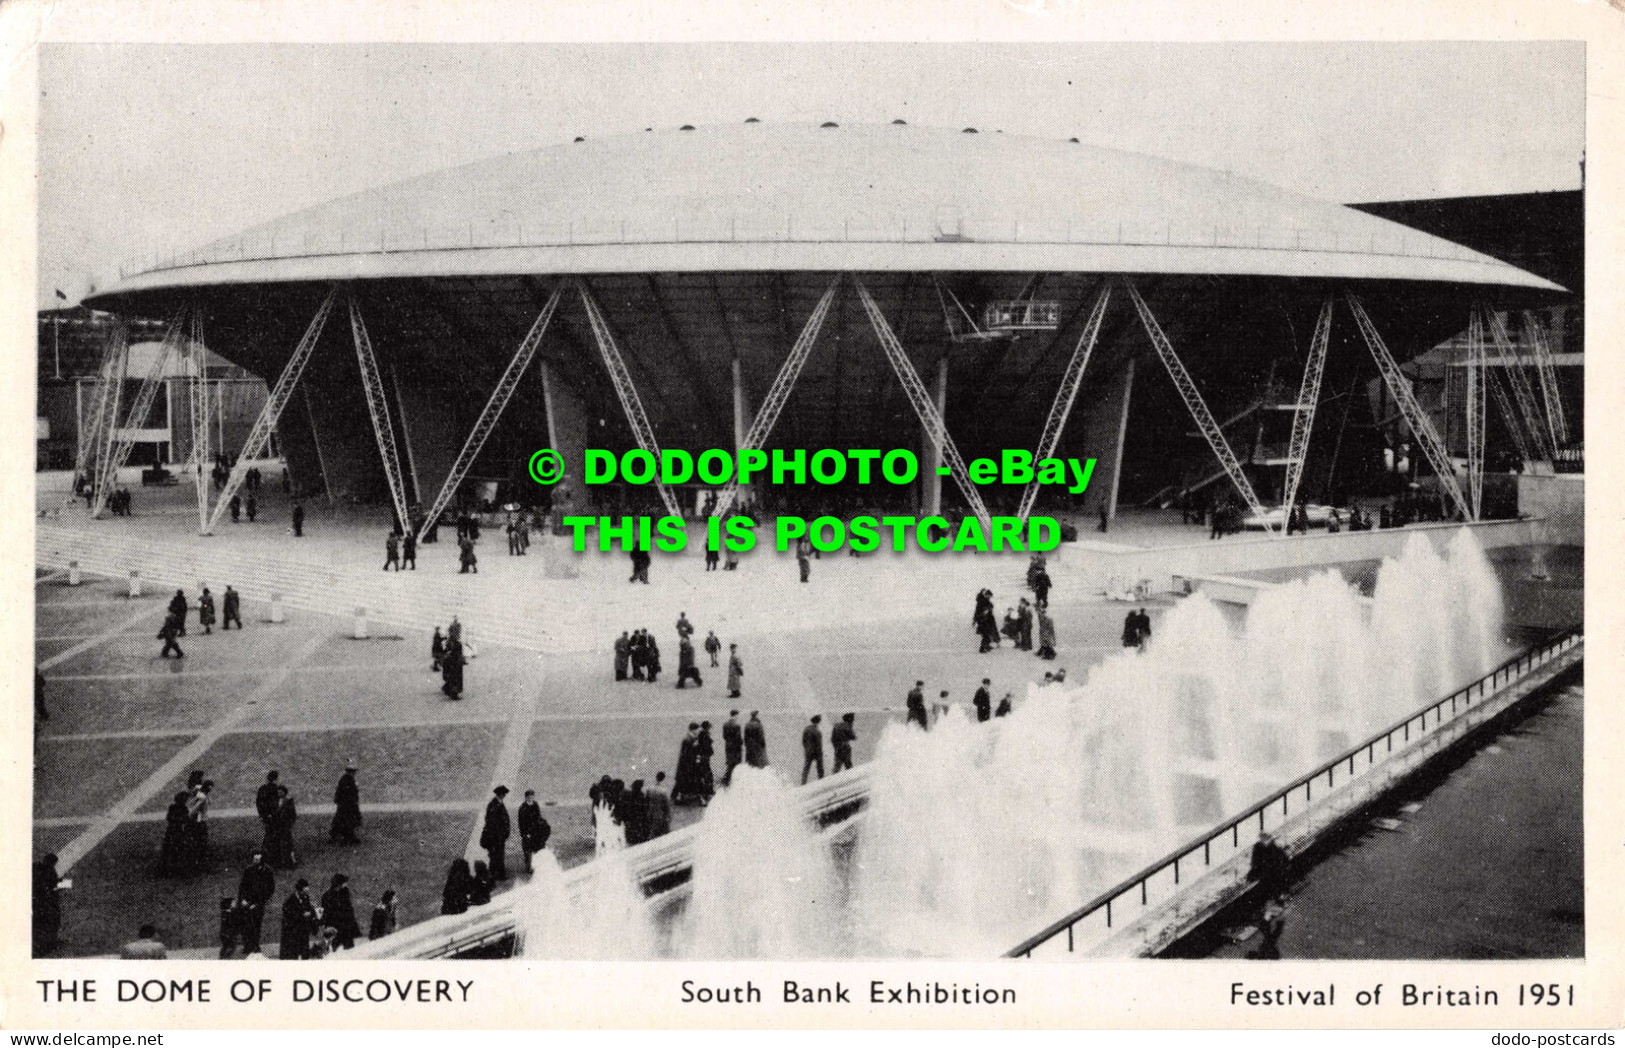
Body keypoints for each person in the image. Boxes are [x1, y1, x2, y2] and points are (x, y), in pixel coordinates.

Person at [237, 851, 275, 954]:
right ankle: (247, 945)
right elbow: (243, 886)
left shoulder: (267, 872)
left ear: (262, 861)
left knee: (257, 925)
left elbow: (270, 889)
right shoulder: (248, 870)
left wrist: (258, 903)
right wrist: (243, 900)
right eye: (254, 859)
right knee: (246, 925)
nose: (255, 861)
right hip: (247, 901)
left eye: (257, 860)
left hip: (259, 903)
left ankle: (256, 945)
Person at [320, 873, 361, 951]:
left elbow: (349, 909)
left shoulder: (345, 893)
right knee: (333, 949)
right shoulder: (327, 896)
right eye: (344, 882)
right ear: (339, 884)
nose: (346, 884)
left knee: (349, 949)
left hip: (346, 927)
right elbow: (327, 913)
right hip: (334, 927)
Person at [279, 879, 318, 959]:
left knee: (304, 952)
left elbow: (309, 908)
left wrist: (313, 912)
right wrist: (302, 915)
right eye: (305, 889)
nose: (306, 892)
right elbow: (288, 914)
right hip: (293, 931)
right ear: (300, 890)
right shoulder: (290, 901)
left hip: (303, 929)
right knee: (293, 954)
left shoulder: (306, 897)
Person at [32, 854, 63, 956]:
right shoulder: (50, 872)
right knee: (52, 921)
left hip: (35, 901)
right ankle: (49, 944)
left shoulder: (35, 867)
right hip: (44, 902)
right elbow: (53, 886)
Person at [481, 785, 512, 880]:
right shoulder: (494, 805)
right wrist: (499, 834)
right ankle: (498, 874)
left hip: (499, 836)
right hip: (495, 837)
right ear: (500, 794)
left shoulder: (498, 803)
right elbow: (491, 822)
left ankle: (495, 873)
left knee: (497, 855)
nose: (504, 796)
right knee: (496, 855)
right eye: (503, 794)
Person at [157, 791, 191, 876]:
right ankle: (177, 868)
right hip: (178, 830)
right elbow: (185, 820)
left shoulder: (172, 807)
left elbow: (169, 817)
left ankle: (166, 868)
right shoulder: (184, 809)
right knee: (178, 848)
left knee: (169, 849)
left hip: (171, 830)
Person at [517, 789, 550, 873]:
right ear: (526, 797)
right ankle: (528, 867)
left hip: (536, 830)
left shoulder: (535, 804)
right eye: (529, 797)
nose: (531, 798)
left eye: (532, 796)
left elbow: (538, 816)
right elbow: (521, 822)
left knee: (538, 848)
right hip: (528, 831)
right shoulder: (522, 808)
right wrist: (525, 834)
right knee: (528, 850)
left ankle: (538, 864)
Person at [267, 785, 299, 869]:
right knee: (277, 844)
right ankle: (280, 862)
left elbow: (293, 815)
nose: (279, 793)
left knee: (287, 845)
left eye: (280, 791)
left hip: (285, 827)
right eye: (278, 791)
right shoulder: (275, 802)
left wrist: (289, 824)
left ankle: (290, 862)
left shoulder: (288, 801)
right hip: (277, 826)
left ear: (284, 792)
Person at [330, 763, 362, 845]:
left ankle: (341, 836)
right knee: (347, 820)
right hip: (347, 804)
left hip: (345, 804)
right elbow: (349, 793)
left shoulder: (346, 779)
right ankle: (346, 837)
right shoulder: (348, 780)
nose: (354, 773)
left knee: (343, 820)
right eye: (353, 771)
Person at [187, 779, 213, 872]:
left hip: (198, 821)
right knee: (201, 842)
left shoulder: (200, 793)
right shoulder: (203, 797)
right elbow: (194, 809)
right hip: (200, 822)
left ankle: (197, 861)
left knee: (198, 842)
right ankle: (199, 862)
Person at [646, 772, 673, 838]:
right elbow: (666, 805)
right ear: (664, 778)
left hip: (651, 812)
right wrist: (669, 816)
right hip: (660, 814)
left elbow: (647, 801)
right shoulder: (664, 790)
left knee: (652, 831)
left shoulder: (650, 788)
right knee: (665, 833)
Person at [721, 710, 744, 786]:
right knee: (736, 763)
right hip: (736, 747)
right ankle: (729, 780)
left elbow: (724, 736)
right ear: (736, 715)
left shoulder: (725, 724)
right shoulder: (737, 726)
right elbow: (739, 738)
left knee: (730, 762)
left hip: (728, 746)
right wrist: (741, 744)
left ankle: (727, 779)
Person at [801, 715, 825, 784]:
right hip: (817, 752)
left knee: (806, 768)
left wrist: (806, 749)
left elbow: (803, 741)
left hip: (808, 751)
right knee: (820, 768)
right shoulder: (817, 731)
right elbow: (819, 744)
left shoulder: (806, 729)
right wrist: (820, 752)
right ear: (818, 722)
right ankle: (822, 782)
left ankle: (803, 782)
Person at [695, 721, 716, 802]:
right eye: (709, 727)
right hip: (704, 757)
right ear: (707, 727)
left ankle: (707, 791)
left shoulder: (702, 734)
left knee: (706, 774)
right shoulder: (704, 735)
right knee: (707, 774)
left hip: (704, 757)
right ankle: (707, 791)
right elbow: (706, 746)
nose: (710, 729)